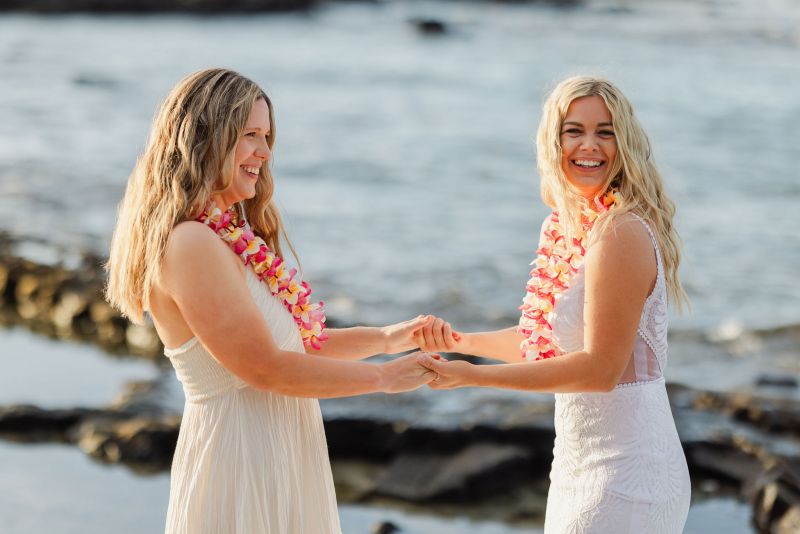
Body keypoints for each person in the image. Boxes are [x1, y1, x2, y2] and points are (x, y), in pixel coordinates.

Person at [105, 68, 436, 534]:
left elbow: (292, 348)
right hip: (242, 462)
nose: (264, 152)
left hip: (278, 452)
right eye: (250, 135)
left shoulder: (225, 236)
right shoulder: (190, 243)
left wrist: (388, 339)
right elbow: (264, 368)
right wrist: (385, 378)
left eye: (266, 137)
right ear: (207, 138)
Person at [416, 76, 691, 533]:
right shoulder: (564, 227)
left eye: (605, 132)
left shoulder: (619, 232)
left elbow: (600, 370)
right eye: (573, 131)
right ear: (553, 142)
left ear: (625, 144)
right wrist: (457, 342)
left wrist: (472, 376)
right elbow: (543, 343)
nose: (589, 145)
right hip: (575, 464)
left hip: (629, 471)